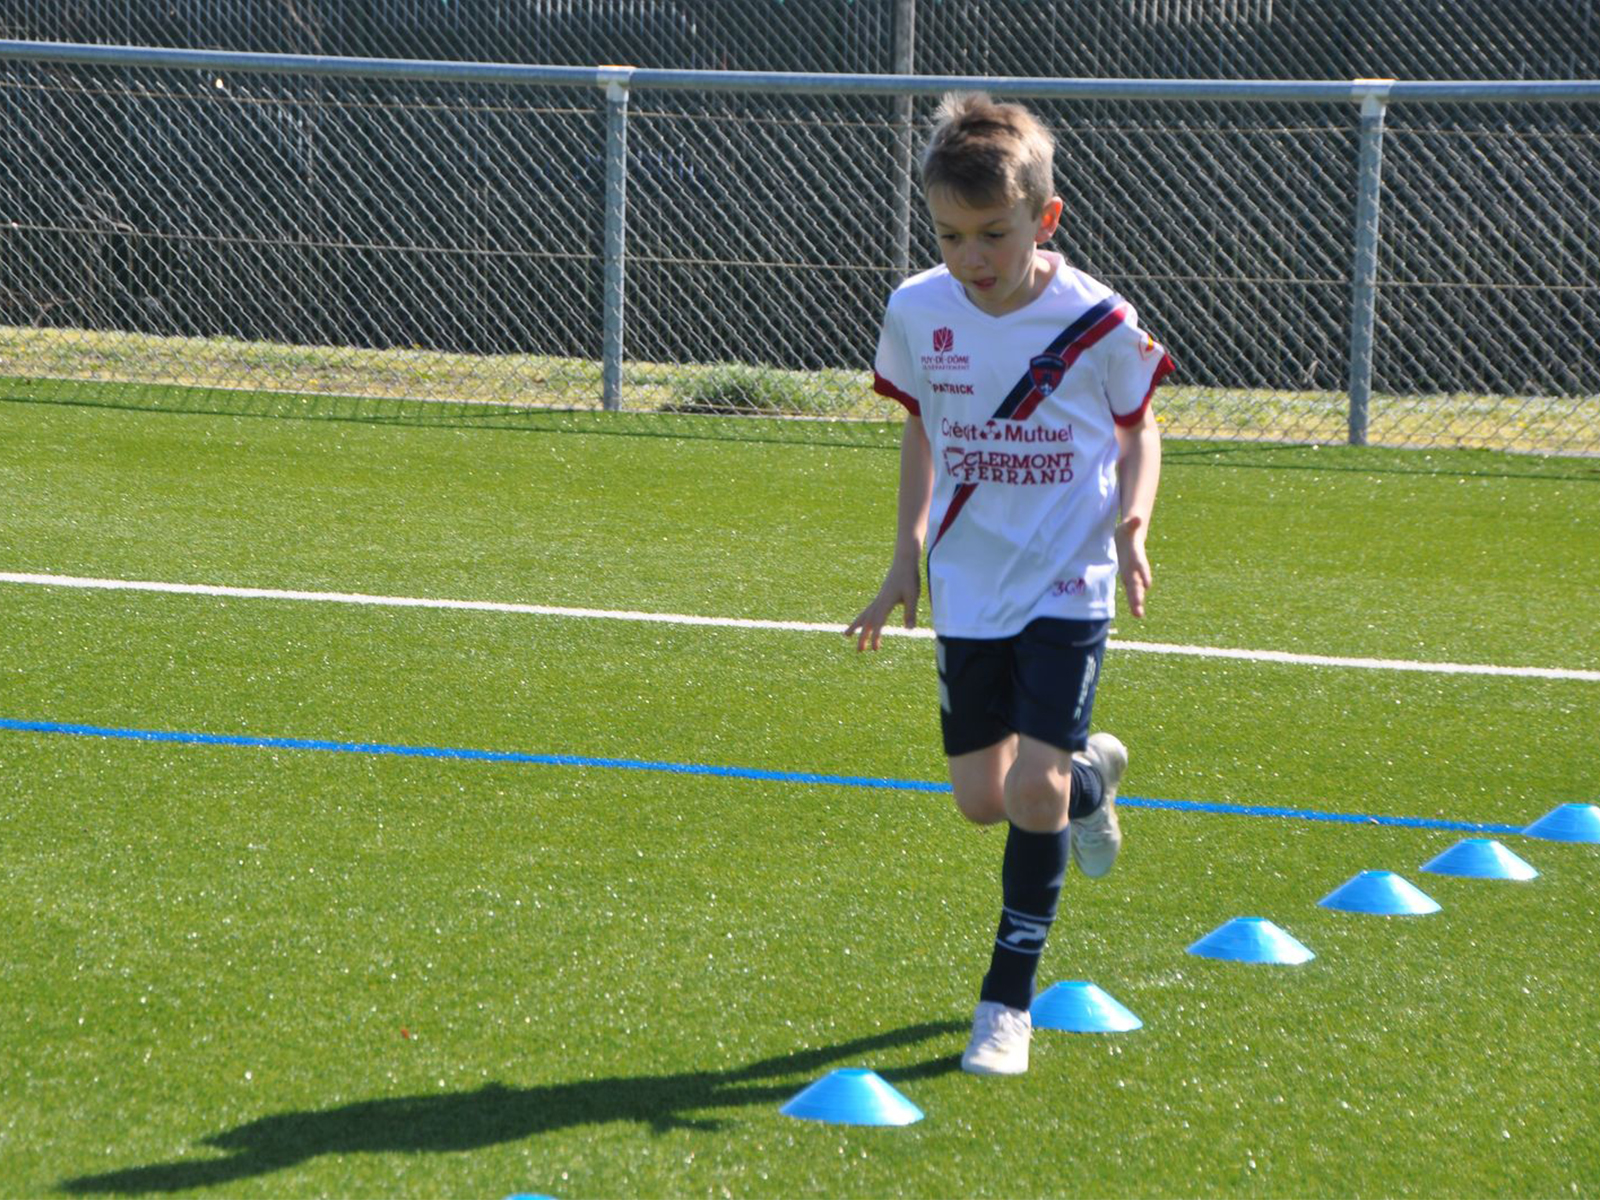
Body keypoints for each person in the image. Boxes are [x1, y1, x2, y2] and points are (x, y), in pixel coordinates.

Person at [846, 92, 1172, 1076]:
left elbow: (1137, 427)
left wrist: (1134, 518)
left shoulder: (1096, 321)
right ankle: (1088, 779)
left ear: (1046, 219)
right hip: (969, 585)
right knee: (984, 800)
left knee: (1026, 792)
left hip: (1069, 580)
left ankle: (1004, 1007)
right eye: (950, 234)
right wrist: (903, 554)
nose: (971, 256)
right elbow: (918, 428)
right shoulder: (916, 308)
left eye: (993, 233)